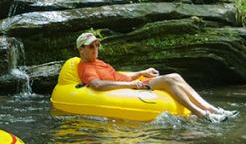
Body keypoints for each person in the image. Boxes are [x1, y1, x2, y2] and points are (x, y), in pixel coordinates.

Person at [75, 32, 237, 122]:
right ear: (81, 50)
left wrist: (140, 72)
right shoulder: (86, 67)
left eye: (97, 45)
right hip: (132, 89)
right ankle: (202, 115)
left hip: (134, 84)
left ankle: (212, 109)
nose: (96, 48)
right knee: (168, 80)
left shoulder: (99, 62)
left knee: (176, 76)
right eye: (91, 46)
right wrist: (129, 86)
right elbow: (97, 85)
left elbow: (117, 75)